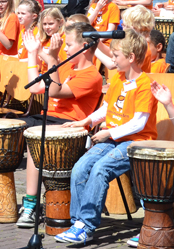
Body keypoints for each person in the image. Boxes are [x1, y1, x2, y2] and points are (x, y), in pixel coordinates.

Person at [56, 30, 157, 244]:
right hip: (114, 138)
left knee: (102, 169)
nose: (112, 60)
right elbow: (107, 107)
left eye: (116, 56)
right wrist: (88, 121)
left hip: (136, 141)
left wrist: (109, 132)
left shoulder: (144, 84)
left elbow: (139, 123)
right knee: (80, 168)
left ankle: (87, 224)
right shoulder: (119, 77)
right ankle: (79, 223)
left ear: (130, 58)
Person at [13, 23, 103, 227]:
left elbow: (54, 92)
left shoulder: (92, 75)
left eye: (69, 45)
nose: (66, 49)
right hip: (49, 117)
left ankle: (31, 203)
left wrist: (52, 58)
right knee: (8, 129)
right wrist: (33, 54)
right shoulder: (66, 67)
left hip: (69, 124)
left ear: (85, 47)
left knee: (33, 139)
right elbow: (36, 87)